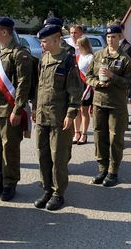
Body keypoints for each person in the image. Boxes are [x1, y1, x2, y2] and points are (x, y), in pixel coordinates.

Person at [0, 16, 34, 201]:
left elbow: (23, 84)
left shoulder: (19, 53)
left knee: (9, 147)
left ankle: (10, 183)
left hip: (8, 109)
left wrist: (18, 110)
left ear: (5, 32)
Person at [33, 19, 83, 210]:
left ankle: (58, 193)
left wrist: (71, 114)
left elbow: (75, 91)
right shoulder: (44, 59)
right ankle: (47, 189)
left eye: (44, 41)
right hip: (43, 115)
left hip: (59, 117)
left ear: (55, 40)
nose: (42, 45)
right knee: (43, 154)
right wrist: (36, 109)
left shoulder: (67, 60)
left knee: (58, 157)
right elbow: (40, 87)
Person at [86, 25, 131, 187]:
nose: (110, 40)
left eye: (113, 37)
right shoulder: (98, 55)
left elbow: (130, 83)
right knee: (100, 136)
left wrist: (113, 76)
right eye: (108, 37)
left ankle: (113, 171)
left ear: (119, 38)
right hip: (99, 101)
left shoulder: (124, 59)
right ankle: (102, 168)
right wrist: (96, 82)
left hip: (116, 105)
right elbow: (88, 76)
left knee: (115, 138)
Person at [74, 36, 94, 144]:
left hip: (86, 85)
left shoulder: (90, 57)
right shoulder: (78, 57)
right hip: (78, 86)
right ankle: (77, 132)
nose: (77, 47)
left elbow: (91, 73)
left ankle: (84, 134)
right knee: (76, 110)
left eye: (78, 45)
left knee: (84, 110)